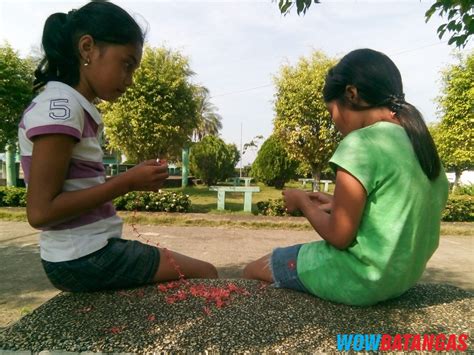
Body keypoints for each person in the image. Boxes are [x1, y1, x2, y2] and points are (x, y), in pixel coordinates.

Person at [18, 1, 217, 292]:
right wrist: (125, 182)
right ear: (87, 48)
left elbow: (74, 192)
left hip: (86, 251)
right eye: (126, 64)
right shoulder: (59, 108)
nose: (130, 80)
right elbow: (41, 212)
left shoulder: (69, 105)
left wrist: (132, 180)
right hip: (84, 256)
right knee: (206, 273)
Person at [243, 48, 449, 306]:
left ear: (351, 94)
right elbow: (399, 209)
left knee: (252, 270)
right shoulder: (421, 145)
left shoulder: (360, 143)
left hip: (358, 278)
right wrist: (336, 203)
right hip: (400, 280)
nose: (336, 124)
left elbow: (340, 236)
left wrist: (302, 202)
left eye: (332, 114)